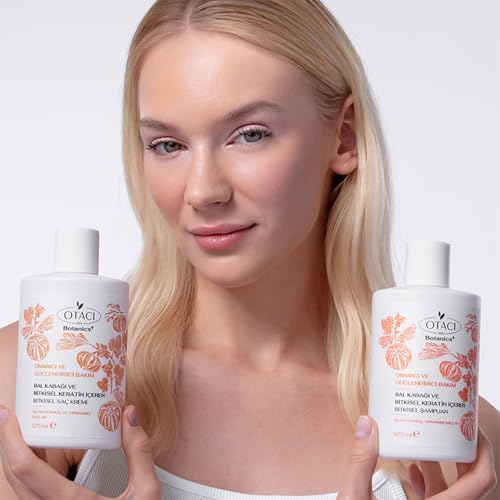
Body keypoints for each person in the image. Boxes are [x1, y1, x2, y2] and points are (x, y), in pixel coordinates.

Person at [0, 0, 498, 498]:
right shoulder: (44, 375)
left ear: (344, 137)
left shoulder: (452, 432)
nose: (203, 191)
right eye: (168, 145)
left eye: (249, 135)